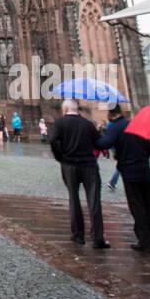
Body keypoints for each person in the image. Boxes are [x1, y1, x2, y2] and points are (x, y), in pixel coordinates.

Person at [99, 103, 150, 254]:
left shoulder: (115, 126)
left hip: (129, 172)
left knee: (137, 207)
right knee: (148, 206)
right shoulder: (136, 124)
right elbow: (149, 148)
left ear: (111, 114)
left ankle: (145, 243)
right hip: (144, 170)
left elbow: (105, 143)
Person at [49, 99, 110, 248]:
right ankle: (98, 239)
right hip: (89, 166)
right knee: (94, 201)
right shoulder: (88, 124)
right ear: (78, 109)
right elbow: (99, 144)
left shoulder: (60, 123)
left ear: (65, 109)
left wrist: (61, 157)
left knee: (74, 199)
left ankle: (78, 235)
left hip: (70, 165)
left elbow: (52, 141)